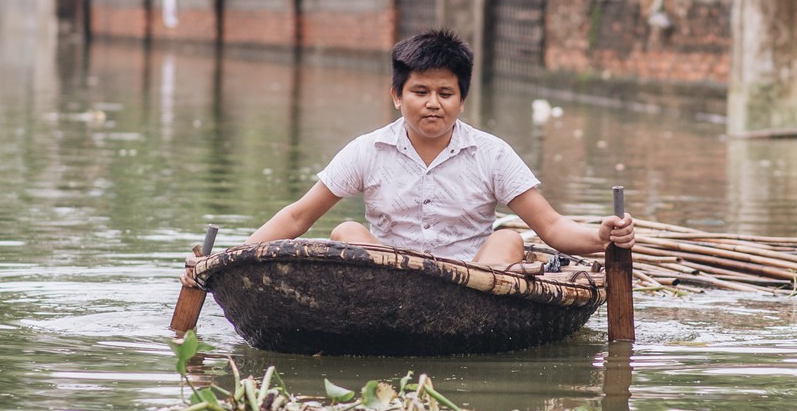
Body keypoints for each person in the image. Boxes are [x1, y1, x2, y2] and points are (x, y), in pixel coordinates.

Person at [242, 29, 635, 265]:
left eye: (446, 92)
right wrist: (229, 258)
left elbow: (551, 226)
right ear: (397, 95)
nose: (433, 102)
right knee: (346, 229)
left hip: (473, 285)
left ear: (461, 100)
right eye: (420, 91)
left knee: (508, 239)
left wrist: (601, 236)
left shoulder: (491, 154)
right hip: (389, 280)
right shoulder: (367, 150)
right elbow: (297, 218)